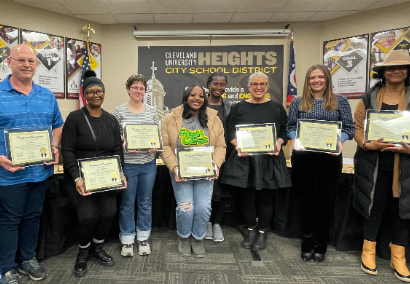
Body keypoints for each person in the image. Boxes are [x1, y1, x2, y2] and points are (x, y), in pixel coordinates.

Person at [0, 44, 63, 283]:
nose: (27, 65)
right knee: (9, 220)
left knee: (33, 217)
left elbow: (57, 125)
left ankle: (27, 259)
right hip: (8, 174)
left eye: (31, 61)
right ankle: (6, 267)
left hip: (40, 172)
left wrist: (54, 146)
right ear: (10, 63)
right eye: (21, 60)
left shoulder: (46, 95)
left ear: (36, 65)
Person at [61, 70, 126, 277]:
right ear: (84, 95)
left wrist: (121, 173)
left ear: (104, 93)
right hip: (82, 178)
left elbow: (117, 149)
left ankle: (97, 248)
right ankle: (83, 252)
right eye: (90, 92)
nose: (95, 95)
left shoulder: (111, 120)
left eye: (99, 91)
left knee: (108, 213)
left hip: (107, 176)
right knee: (88, 216)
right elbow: (68, 150)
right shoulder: (75, 118)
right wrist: (76, 177)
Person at [287, 64, 354, 263]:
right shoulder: (298, 101)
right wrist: (295, 139)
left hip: (329, 159)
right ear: (307, 81)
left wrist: (340, 140)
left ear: (327, 80)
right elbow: (291, 126)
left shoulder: (340, 101)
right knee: (305, 201)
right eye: (312, 77)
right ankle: (306, 244)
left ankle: (321, 245)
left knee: (325, 202)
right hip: (303, 159)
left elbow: (350, 128)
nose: (316, 81)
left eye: (320, 77)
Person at [353, 49, 410, 282]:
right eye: (390, 68)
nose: (395, 71)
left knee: (403, 211)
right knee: (373, 207)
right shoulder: (368, 98)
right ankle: (368, 251)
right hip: (374, 165)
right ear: (383, 73)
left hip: (405, 166)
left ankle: (399, 256)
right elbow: (358, 129)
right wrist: (367, 144)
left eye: (401, 67)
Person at [220, 72, 291, 251]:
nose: (258, 87)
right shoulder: (239, 108)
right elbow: (230, 132)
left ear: (267, 86)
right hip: (246, 161)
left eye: (262, 84)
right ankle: (251, 229)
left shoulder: (277, 108)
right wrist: (238, 146)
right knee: (248, 197)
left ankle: (263, 231)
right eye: (254, 84)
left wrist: (279, 143)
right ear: (249, 87)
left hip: (269, 160)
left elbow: (284, 132)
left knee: (266, 197)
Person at [161, 85, 226, 258]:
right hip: (180, 172)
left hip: (205, 172)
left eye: (201, 96)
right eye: (193, 95)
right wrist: (174, 168)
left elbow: (220, 146)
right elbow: (165, 146)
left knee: (203, 208)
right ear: (186, 97)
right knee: (185, 208)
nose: (197, 98)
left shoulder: (214, 119)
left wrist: (217, 166)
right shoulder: (171, 118)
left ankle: (197, 238)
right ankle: (184, 237)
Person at [112, 74, 158, 257]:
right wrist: (123, 140)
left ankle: (143, 237)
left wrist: (155, 145)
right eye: (135, 87)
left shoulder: (152, 111)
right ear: (128, 89)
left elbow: (156, 134)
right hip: (128, 164)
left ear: (145, 91)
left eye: (141, 88)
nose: (138, 91)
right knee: (127, 203)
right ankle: (127, 239)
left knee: (146, 202)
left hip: (148, 163)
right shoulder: (118, 111)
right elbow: (114, 136)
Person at [204, 72, 233, 242]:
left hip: (223, 155)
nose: (219, 87)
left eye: (222, 84)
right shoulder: (199, 103)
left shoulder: (230, 106)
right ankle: (206, 223)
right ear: (208, 85)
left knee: (220, 191)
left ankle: (217, 224)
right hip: (201, 155)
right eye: (215, 84)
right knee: (204, 190)